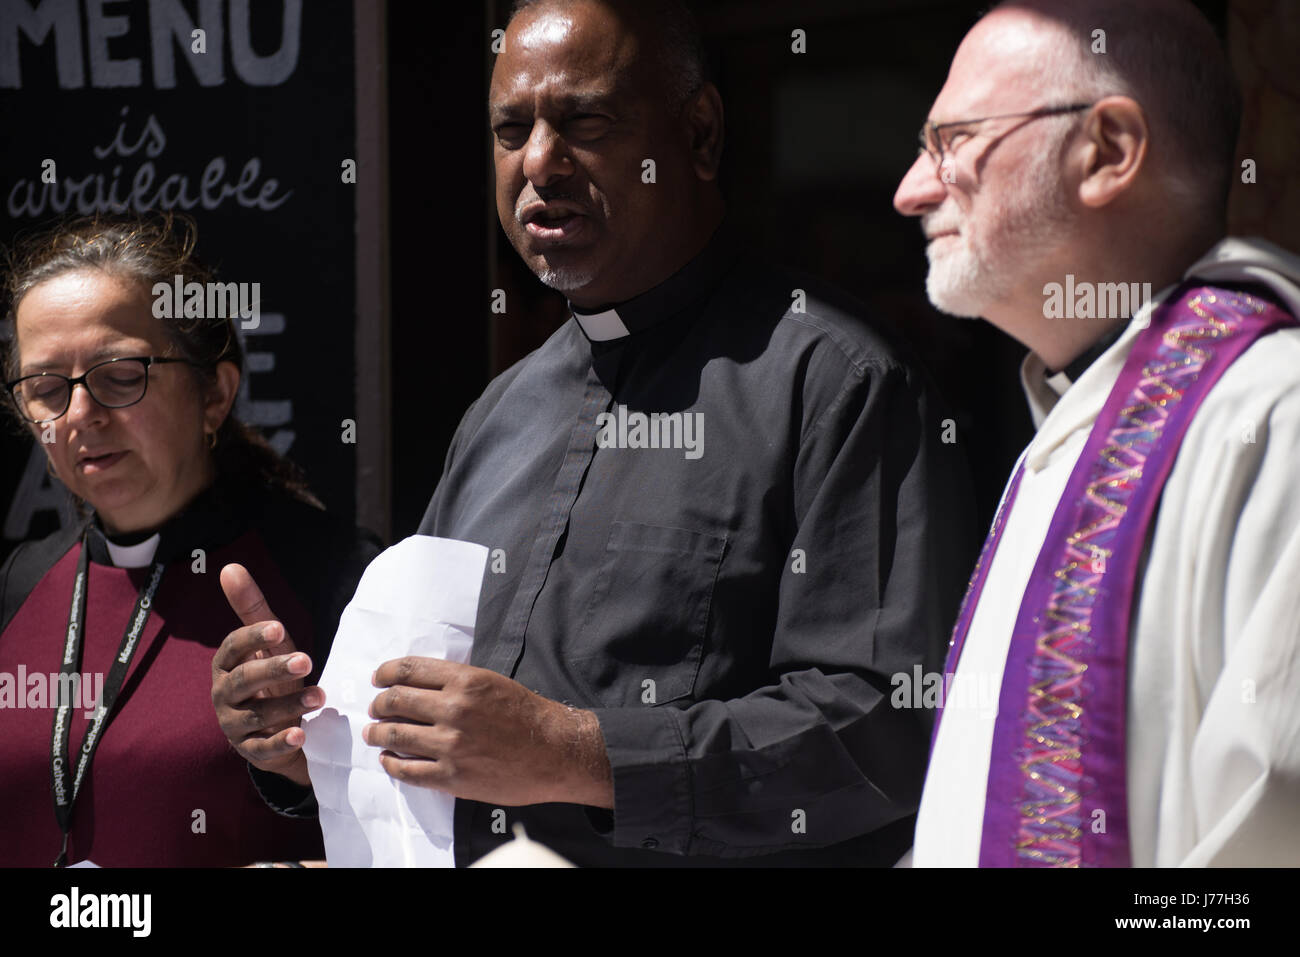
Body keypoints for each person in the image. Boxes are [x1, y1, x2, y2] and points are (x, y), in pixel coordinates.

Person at [215, 0, 977, 866]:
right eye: (511, 129)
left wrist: (581, 754)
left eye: (585, 120)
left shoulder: (839, 382)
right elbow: (456, 741)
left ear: (699, 135)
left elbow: (885, 726)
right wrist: (315, 738)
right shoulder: (498, 415)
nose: (539, 160)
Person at [892, 0, 1300, 867]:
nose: (912, 190)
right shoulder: (1069, 430)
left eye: (954, 141)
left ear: (1108, 151)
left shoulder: (1273, 410)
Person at [0, 214, 381, 867]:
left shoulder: (333, 575)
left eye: (121, 375)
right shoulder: (20, 581)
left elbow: (422, 820)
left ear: (215, 394)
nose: (81, 413)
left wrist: (299, 768)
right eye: (46, 389)